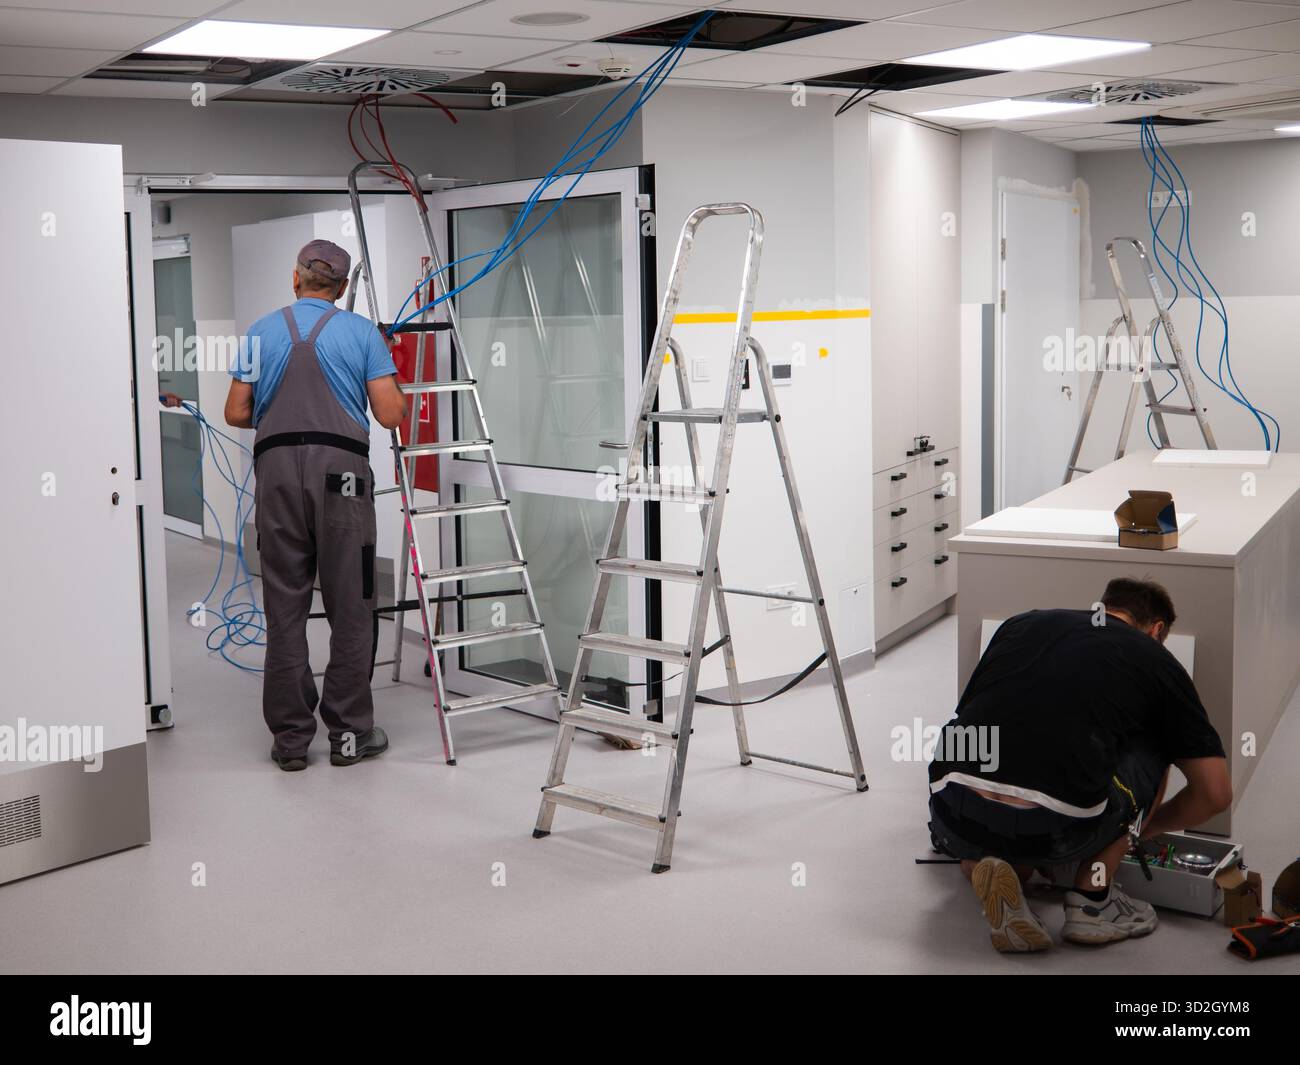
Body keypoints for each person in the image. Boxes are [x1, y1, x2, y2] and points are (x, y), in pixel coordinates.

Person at [927, 577, 1231, 952]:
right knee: (1158, 741)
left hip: (951, 804)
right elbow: (1215, 793)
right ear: (1156, 630)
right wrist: (1141, 830)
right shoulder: (1154, 657)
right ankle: (1093, 901)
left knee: (994, 811)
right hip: (1056, 825)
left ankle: (989, 869)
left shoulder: (1022, 623)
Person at [224, 240, 408, 771]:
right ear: (342, 288)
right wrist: (379, 364)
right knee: (351, 602)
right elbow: (392, 415)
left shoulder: (261, 331)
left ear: (296, 278)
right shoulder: (361, 332)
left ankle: (290, 745)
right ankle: (349, 738)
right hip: (343, 476)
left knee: (285, 606)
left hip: (277, 473)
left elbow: (236, 411)